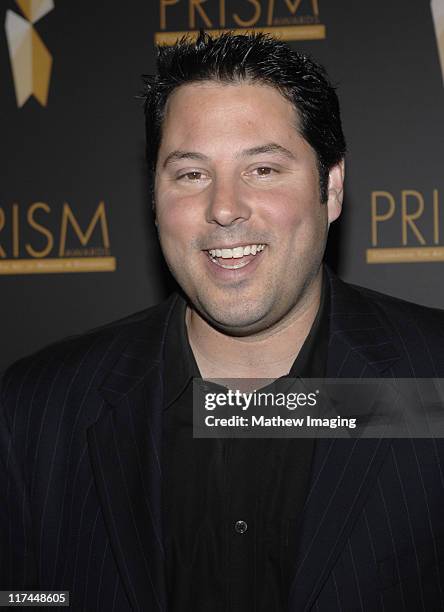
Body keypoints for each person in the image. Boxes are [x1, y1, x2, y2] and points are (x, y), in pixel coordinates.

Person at [1, 31, 444, 611]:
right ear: (154, 197)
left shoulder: (432, 379)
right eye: (190, 174)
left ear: (331, 187)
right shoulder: (38, 409)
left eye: (262, 169)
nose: (224, 207)